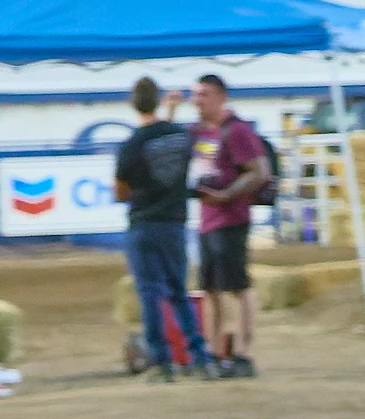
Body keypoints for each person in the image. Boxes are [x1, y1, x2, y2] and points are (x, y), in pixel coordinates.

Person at [114, 77, 214, 382]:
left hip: (145, 223)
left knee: (150, 294)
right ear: (158, 101)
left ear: (133, 104)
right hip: (174, 223)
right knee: (178, 292)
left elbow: (120, 192)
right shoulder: (181, 137)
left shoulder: (131, 145)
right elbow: (169, 151)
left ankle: (162, 362)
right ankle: (199, 357)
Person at [186, 74, 271, 378]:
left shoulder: (237, 131)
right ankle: (215, 351)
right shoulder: (198, 132)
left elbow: (259, 171)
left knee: (237, 287)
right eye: (196, 94)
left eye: (204, 94)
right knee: (210, 288)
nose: (198, 100)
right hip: (208, 221)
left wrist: (227, 195)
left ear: (221, 97)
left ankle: (243, 353)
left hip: (231, 219)